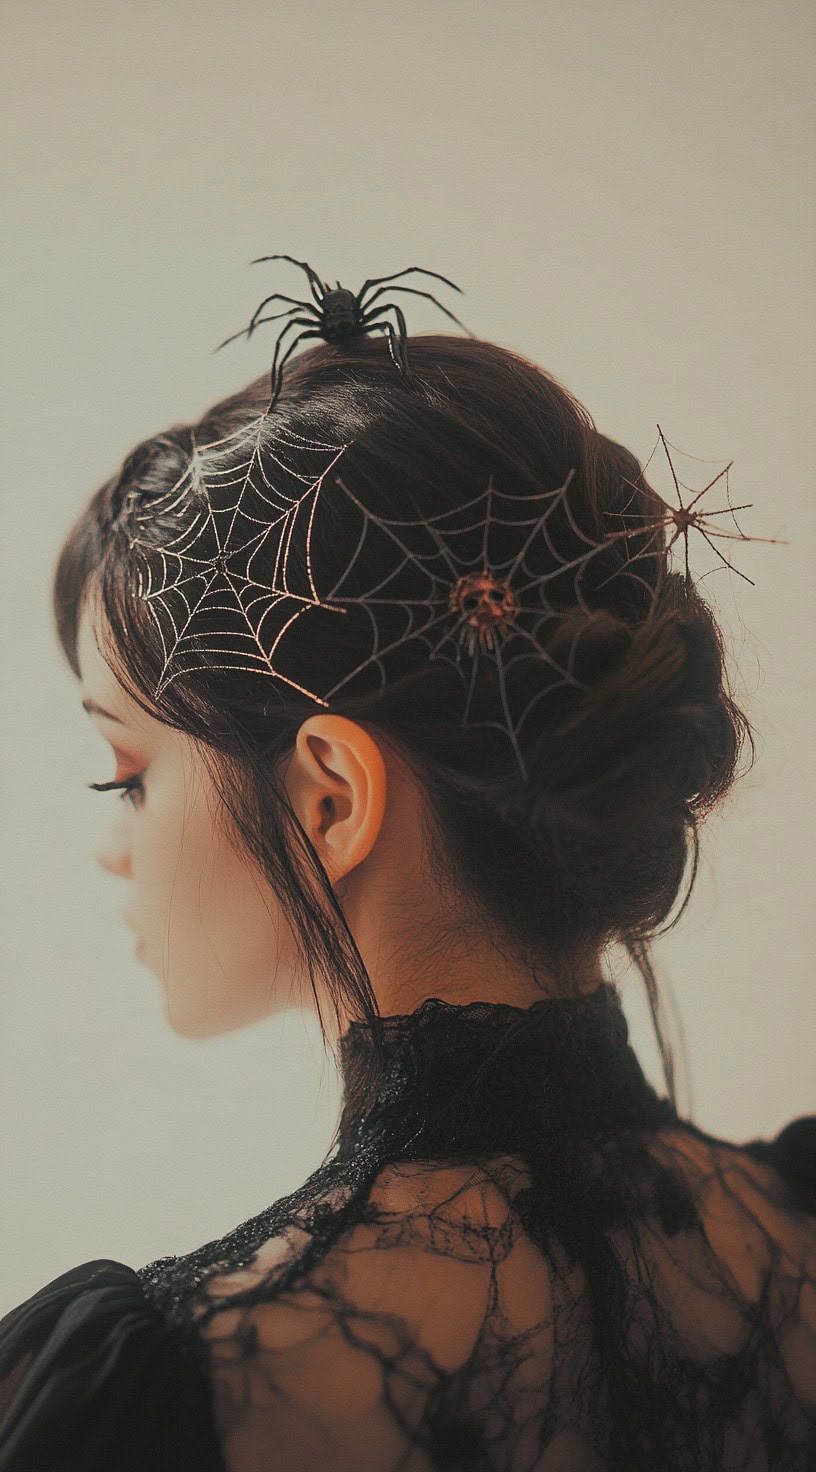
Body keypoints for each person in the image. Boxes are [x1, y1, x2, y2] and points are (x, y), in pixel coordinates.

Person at [0, 266, 813, 1470]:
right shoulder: (797, 1230)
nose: (110, 840)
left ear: (331, 794)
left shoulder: (164, 1398)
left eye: (126, 771)